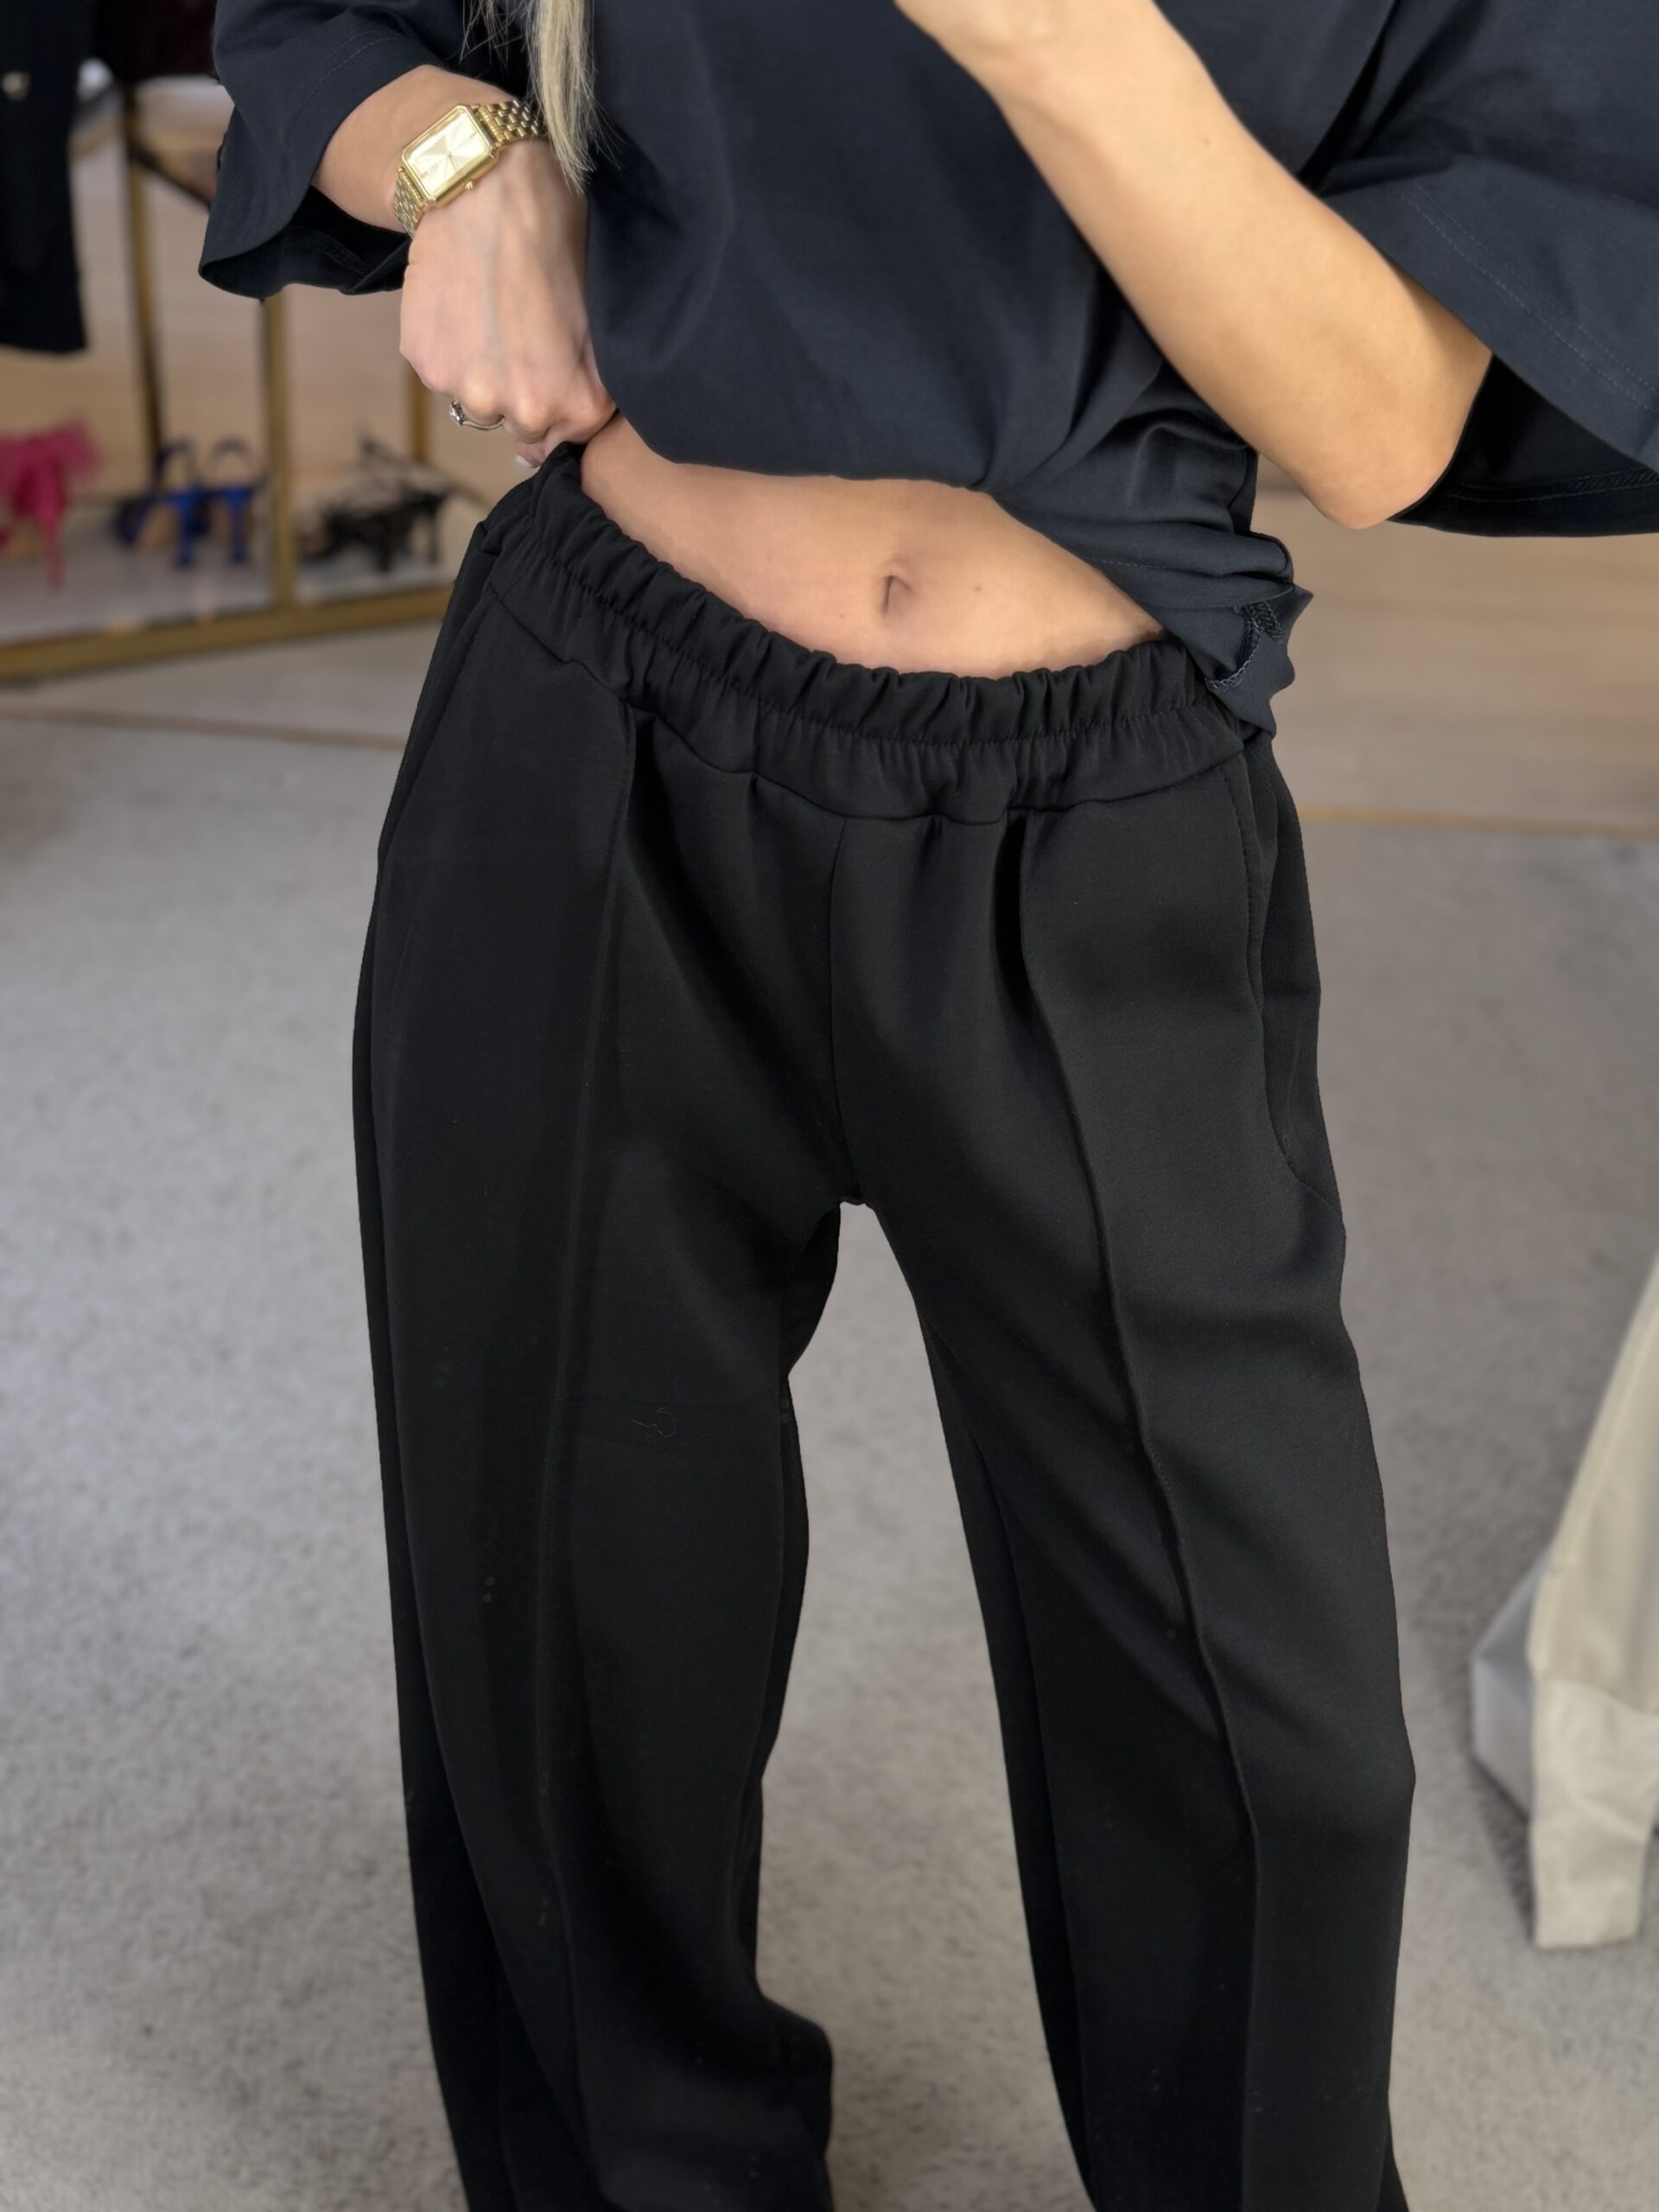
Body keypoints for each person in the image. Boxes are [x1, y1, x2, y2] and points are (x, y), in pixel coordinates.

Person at [200, 4, 1659, 2208]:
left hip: (1091, 818)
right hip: (594, 727)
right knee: (570, 1626)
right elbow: (321, 26)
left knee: (1262, 1741)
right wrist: (459, 162)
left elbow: (1379, 425)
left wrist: (1056, 41)